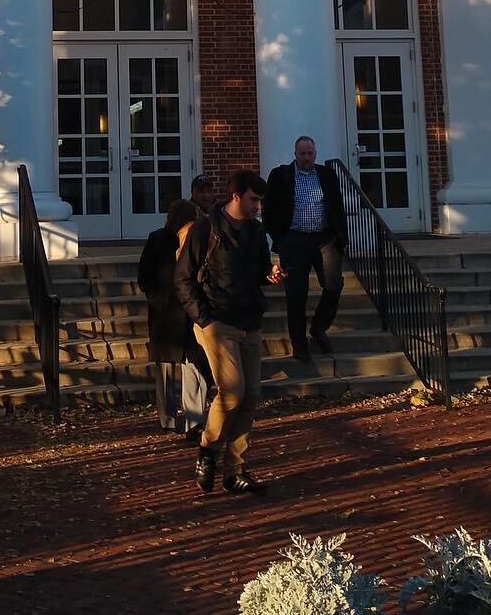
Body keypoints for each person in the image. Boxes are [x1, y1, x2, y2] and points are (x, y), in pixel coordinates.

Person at [174, 169, 285, 495]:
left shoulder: (255, 229)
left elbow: (261, 269)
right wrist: (203, 318)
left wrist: (272, 273)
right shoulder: (205, 227)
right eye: (254, 200)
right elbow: (182, 277)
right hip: (216, 320)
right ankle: (208, 450)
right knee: (232, 390)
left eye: (261, 201)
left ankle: (235, 470)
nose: (258, 206)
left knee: (251, 396)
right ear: (236, 196)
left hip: (248, 318)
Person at [264, 136, 349, 364]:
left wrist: (341, 236)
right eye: (302, 154)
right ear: (295, 154)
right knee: (296, 295)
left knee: (334, 285)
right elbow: (269, 207)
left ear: (315, 153)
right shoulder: (281, 176)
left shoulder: (326, 175)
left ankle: (319, 327)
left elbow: (337, 206)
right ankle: (299, 345)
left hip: (324, 239)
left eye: (310, 153)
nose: (307, 158)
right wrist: (279, 238)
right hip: (294, 240)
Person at [136, 199, 211, 430]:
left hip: (190, 312)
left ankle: (194, 419)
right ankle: (167, 418)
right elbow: (145, 277)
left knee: (194, 367)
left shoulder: (198, 241)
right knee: (165, 369)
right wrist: (159, 301)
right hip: (165, 313)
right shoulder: (158, 240)